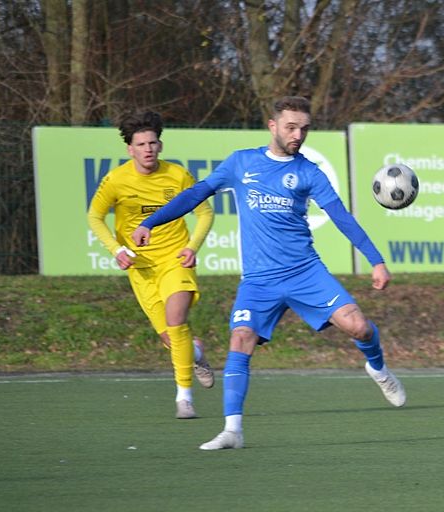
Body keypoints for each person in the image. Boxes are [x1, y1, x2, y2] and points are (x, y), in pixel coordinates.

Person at [132, 96, 406, 451]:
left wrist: (376, 260)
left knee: (359, 327)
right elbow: (197, 193)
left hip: (305, 272)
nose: (298, 135)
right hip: (259, 281)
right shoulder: (241, 163)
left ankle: (378, 368)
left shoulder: (309, 172)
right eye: (291, 127)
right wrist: (151, 222)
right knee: (240, 338)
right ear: (272, 126)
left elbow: (341, 217)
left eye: (304, 129)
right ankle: (232, 430)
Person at [87, 111, 215, 420]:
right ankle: (196, 352)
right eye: (141, 144)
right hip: (141, 269)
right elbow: (95, 216)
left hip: (175, 261)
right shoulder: (116, 180)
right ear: (130, 149)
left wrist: (191, 247)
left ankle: (184, 398)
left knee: (176, 319)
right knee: (172, 338)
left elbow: (205, 213)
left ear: (160, 145)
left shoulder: (178, 175)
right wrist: (116, 249)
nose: (148, 149)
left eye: (153, 143)